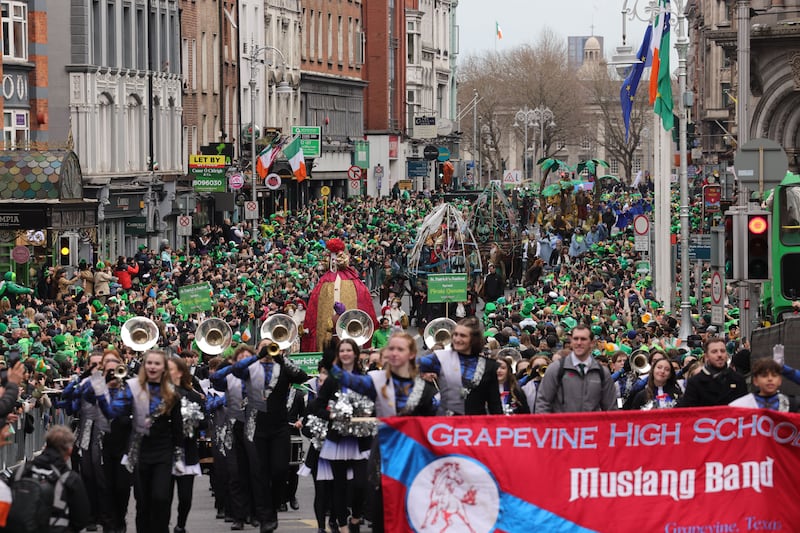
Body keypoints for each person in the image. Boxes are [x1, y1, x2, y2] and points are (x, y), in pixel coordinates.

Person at [330, 332, 439, 533]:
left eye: (400, 349)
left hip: (415, 457)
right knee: (382, 511)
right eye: (391, 349)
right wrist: (333, 360)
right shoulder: (376, 381)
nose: (395, 353)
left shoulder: (425, 390)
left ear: (412, 354)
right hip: (384, 455)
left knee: (414, 511)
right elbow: (345, 379)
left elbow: (437, 425)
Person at [90, 349, 182, 533]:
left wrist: (179, 456)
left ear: (163, 368)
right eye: (149, 363)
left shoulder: (171, 392)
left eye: (157, 363)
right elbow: (111, 413)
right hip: (139, 451)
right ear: (144, 366)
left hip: (164, 452)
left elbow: (177, 428)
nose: (152, 367)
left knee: (161, 497)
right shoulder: (132, 387)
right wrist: (101, 392)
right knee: (143, 501)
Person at [229, 339, 309, 533]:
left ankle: (273, 508)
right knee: (259, 474)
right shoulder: (250, 369)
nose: (267, 350)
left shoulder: (283, 368)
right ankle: (265, 517)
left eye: (270, 346)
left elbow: (302, 376)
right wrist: (257, 356)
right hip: (257, 429)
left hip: (279, 428)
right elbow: (236, 371)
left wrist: (280, 358)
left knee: (280, 471)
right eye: (263, 347)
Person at [308, 339, 373, 533]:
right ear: (339, 354)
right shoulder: (332, 380)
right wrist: (333, 415)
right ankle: (343, 526)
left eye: (348, 350)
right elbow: (317, 406)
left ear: (355, 353)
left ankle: (355, 518)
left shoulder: (364, 377)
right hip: (337, 440)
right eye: (341, 350)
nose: (345, 353)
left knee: (361, 485)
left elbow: (375, 403)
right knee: (339, 486)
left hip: (360, 439)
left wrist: (367, 413)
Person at [209, 345, 256, 531]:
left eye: (248, 358)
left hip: (253, 428)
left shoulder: (259, 376)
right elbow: (215, 378)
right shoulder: (230, 376)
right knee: (235, 474)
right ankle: (238, 516)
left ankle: (253, 512)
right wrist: (233, 366)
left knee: (254, 473)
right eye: (241, 358)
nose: (244, 361)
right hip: (233, 428)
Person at [417, 317, 503, 416]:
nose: (457, 339)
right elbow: (408, 367)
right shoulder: (440, 359)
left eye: (463, 336)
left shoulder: (490, 366)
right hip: (447, 426)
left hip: (475, 426)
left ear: (473, 339)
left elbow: (495, 404)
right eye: (455, 335)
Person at [13, 425, 90, 533]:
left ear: (46, 445)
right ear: (69, 451)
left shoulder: (20, 471)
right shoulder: (70, 479)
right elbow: (81, 519)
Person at [535, 325, 618, 413]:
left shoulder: (602, 373)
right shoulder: (556, 369)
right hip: (562, 425)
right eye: (575, 339)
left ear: (592, 343)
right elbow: (543, 403)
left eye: (583, 339)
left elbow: (611, 409)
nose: (579, 343)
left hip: (590, 426)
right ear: (571, 341)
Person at [167, 357, 206, 533]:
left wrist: (194, 420)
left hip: (186, 451)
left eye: (170, 369)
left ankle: (180, 525)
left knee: (185, 497)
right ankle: (162, 525)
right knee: (163, 496)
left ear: (181, 372)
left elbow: (204, 423)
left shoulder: (192, 395)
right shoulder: (159, 394)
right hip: (165, 452)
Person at [677, 337, 747, 407]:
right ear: (706, 356)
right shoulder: (695, 383)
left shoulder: (738, 379)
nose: (719, 355)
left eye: (722, 351)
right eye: (714, 352)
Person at [730, 358, 800, 412]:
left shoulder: (792, 404)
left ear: (780, 380)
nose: (770, 379)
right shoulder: (741, 405)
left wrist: (788, 370)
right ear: (755, 381)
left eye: (774, 375)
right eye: (764, 376)